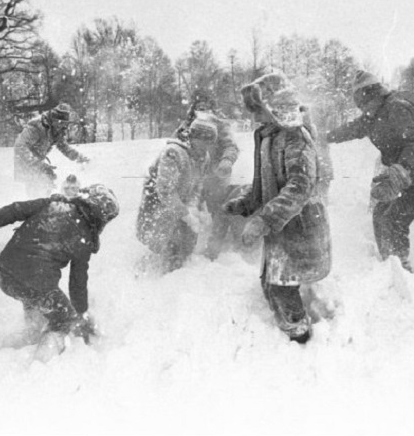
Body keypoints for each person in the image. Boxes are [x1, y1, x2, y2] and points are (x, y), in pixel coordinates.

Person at [0, 179, 119, 362]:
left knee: (37, 312)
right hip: (36, 284)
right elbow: (77, 284)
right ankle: (41, 365)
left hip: (5, 273)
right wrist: (81, 314)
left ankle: (14, 344)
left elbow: (13, 211)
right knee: (63, 318)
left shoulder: (51, 204)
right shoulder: (85, 239)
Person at [225, 72, 332, 343]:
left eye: (258, 109)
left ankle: (300, 338)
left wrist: (263, 219)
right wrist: (245, 203)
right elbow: (266, 182)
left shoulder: (295, 138)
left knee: (281, 284)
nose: (254, 116)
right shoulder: (269, 135)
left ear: (276, 107)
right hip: (281, 222)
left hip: (300, 223)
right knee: (273, 280)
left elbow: (299, 186)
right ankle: (293, 326)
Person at [327, 70, 414, 273]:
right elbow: (351, 129)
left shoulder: (395, 109)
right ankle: (389, 262)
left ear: (374, 95)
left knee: (395, 218)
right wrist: (324, 136)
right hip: (408, 168)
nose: (362, 107)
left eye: (363, 101)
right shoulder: (373, 115)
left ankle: (401, 267)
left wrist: (402, 169)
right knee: (380, 213)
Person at [136, 114, 218, 272]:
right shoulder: (173, 153)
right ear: (194, 137)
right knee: (164, 246)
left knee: (187, 243)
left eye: (210, 144)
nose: (207, 148)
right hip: (158, 205)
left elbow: (197, 186)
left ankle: (176, 277)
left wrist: (192, 208)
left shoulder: (203, 157)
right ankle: (147, 277)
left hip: (181, 205)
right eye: (204, 143)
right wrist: (187, 215)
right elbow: (165, 191)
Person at [175, 93, 240, 260]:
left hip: (215, 176)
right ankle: (183, 249)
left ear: (212, 109)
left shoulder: (220, 126)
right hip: (192, 178)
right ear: (193, 110)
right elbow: (178, 148)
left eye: (206, 108)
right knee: (187, 211)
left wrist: (226, 161)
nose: (202, 111)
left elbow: (231, 147)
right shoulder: (186, 127)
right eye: (199, 108)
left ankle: (214, 249)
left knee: (219, 211)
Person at [14, 103, 89, 198]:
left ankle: (44, 202)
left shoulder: (57, 129)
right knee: (36, 188)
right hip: (26, 161)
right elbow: (20, 146)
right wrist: (38, 164)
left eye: (64, 123)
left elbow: (63, 146)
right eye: (60, 123)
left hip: (39, 160)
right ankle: (35, 205)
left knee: (48, 183)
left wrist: (79, 157)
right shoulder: (36, 127)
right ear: (53, 119)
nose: (61, 127)